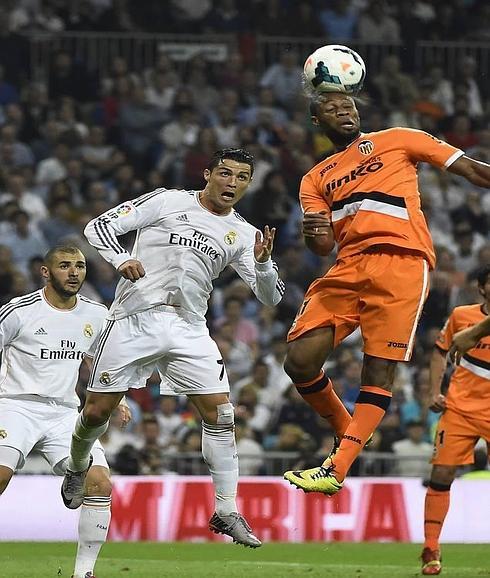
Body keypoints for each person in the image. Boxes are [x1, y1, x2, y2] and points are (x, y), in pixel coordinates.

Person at [61, 148, 284, 547]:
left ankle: (226, 510)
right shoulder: (167, 200)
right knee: (96, 412)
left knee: (221, 413)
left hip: (189, 327)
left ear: (248, 184)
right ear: (207, 174)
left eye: (241, 177)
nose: (232, 183)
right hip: (134, 318)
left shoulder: (245, 234)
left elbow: (270, 297)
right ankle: (78, 465)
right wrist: (120, 258)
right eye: (225, 173)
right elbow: (98, 227)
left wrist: (264, 264)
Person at [282, 91, 490, 496]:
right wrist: (315, 236)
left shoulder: (399, 138)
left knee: (377, 372)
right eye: (331, 108)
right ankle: (351, 431)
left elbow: (472, 170)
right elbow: (323, 246)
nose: (344, 111)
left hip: (402, 261)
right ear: (316, 121)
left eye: (349, 106)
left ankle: (336, 468)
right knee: (299, 361)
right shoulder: (314, 178)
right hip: (347, 266)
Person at [0, 245, 130, 578]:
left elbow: (106, 361)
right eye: (64, 266)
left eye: (80, 266)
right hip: (16, 404)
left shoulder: (96, 314)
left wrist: (122, 399)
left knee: (100, 483)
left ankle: (83, 573)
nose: (74, 273)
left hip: (64, 412)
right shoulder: (19, 311)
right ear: (46, 272)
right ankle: (74, 469)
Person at [421, 265, 490, 575]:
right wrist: (434, 391)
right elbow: (440, 352)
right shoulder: (462, 315)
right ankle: (431, 548)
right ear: (481, 288)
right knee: (442, 473)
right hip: (461, 407)